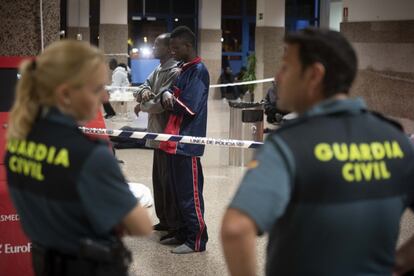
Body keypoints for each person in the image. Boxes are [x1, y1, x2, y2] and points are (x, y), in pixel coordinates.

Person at [221, 28, 414, 276]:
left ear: (314, 75)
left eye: (286, 67)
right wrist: (399, 262)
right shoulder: (396, 139)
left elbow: (235, 229)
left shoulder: (288, 145)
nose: (278, 77)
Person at [4, 40, 152, 276]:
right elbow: (142, 225)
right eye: (96, 88)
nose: (105, 97)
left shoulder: (19, 141)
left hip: (45, 262)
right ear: (65, 94)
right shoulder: (89, 156)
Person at [160, 26, 209, 254]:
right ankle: (181, 232)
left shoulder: (198, 71)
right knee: (177, 193)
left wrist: (169, 98)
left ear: (188, 46)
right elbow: (166, 92)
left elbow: (188, 107)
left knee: (190, 195)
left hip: (187, 143)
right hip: (173, 140)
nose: (172, 51)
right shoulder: (183, 69)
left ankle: (197, 240)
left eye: (176, 47)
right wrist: (166, 94)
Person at [134, 33, 181, 238]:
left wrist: (143, 104)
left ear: (169, 48)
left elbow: (160, 104)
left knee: (168, 179)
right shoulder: (158, 68)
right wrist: (143, 91)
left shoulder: (175, 71)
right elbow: (144, 86)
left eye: (156, 45)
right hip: (155, 133)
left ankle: (173, 223)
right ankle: (163, 219)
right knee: (158, 179)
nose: (153, 48)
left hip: (167, 134)